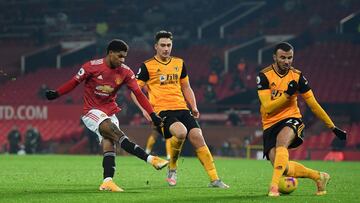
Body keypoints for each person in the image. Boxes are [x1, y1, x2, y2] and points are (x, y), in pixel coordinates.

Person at [45, 39, 169, 192]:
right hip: (91, 111)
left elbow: (138, 93)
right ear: (110, 53)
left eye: (124, 57)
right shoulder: (91, 67)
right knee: (115, 133)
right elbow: (73, 82)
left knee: (110, 142)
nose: (122, 60)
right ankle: (151, 159)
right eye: (119, 56)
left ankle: (107, 181)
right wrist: (57, 93)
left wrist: (152, 114)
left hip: (110, 111)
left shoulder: (125, 72)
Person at [132, 30, 229, 188]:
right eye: (162, 45)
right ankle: (173, 167)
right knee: (181, 132)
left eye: (169, 45)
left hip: (182, 108)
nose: (166, 48)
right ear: (155, 46)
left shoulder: (179, 63)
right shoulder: (147, 66)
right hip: (162, 111)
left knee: (198, 136)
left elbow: (186, 87)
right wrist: (144, 110)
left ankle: (215, 179)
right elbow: (135, 91)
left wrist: (194, 106)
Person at [256, 42, 347, 197]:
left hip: (291, 119)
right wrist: (287, 95)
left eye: (290, 58)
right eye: (283, 57)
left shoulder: (297, 77)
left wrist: (332, 127)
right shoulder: (264, 76)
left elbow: (314, 105)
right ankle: (319, 177)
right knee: (282, 167)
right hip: (270, 123)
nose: (286, 61)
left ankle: (273, 187)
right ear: (274, 57)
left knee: (281, 143)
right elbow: (268, 107)